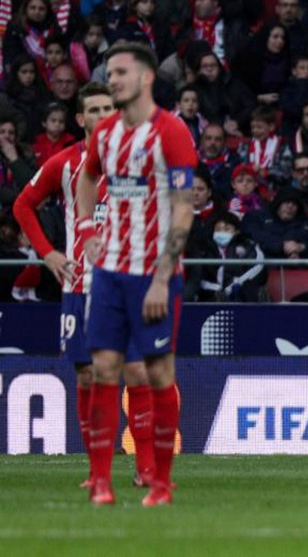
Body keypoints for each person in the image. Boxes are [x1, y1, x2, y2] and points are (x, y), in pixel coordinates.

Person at [12, 81, 157, 489]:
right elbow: (22, 205)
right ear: (80, 119)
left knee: (136, 372)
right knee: (88, 377)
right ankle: (98, 471)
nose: (102, 115)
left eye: (108, 107)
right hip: (81, 286)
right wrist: (48, 253)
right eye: (93, 109)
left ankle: (145, 467)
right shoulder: (64, 163)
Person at [75, 42, 198, 506]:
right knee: (105, 368)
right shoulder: (104, 133)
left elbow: (184, 209)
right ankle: (102, 483)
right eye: (110, 73)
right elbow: (88, 178)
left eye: (121, 72)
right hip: (109, 271)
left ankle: (161, 482)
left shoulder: (171, 132)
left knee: (157, 373)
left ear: (146, 78)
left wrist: (164, 277)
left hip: (155, 273)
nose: (114, 80)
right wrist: (87, 226)